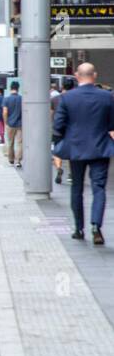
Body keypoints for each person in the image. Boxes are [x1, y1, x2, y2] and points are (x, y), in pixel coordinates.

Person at [52, 62, 114, 245]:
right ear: (94, 75)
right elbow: (111, 124)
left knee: (76, 188)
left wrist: (63, 140)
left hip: (76, 149)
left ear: (77, 76)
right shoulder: (107, 97)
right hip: (101, 148)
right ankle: (96, 225)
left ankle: (79, 228)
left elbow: (58, 126)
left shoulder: (67, 98)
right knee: (99, 188)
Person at [1, 80, 23, 167]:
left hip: (10, 124)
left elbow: (5, 112)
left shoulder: (6, 99)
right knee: (20, 143)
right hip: (20, 124)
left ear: (10, 88)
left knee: (10, 142)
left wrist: (6, 122)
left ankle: (11, 159)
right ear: (18, 88)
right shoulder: (21, 99)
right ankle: (18, 160)